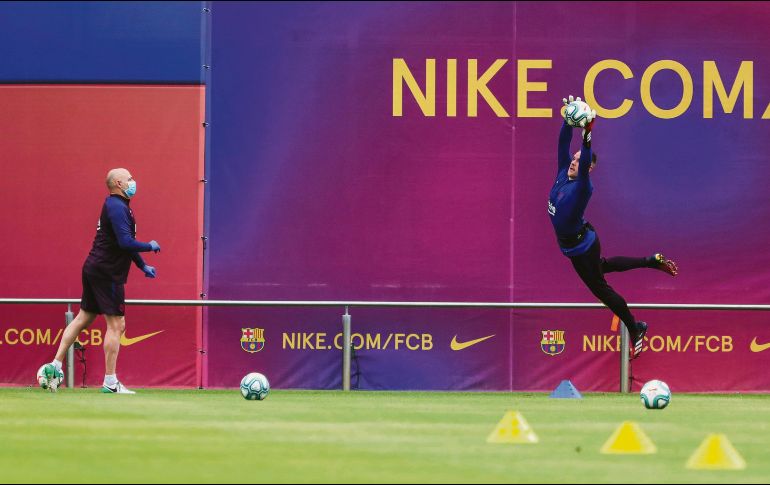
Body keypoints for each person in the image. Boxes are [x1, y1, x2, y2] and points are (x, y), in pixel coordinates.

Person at [548, 96, 678, 359]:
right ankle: (649, 260)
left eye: (578, 161)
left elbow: (584, 160)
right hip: (583, 239)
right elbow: (562, 143)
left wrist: (587, 132)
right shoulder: (563, 173)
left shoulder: (583, 186)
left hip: (580, 246)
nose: (573, 162)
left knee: (601, 289)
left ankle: (634, 326)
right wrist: (567, 120)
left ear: (590, 168)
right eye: (572, 159)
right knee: (603, 266)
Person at [39, 168, 160, 394]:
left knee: (83, 318)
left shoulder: (120, 207)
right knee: (117, 325)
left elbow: (123, 242)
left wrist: (142, 265)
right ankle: (110, 382)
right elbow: (126, 242)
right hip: (107, 273)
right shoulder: (116, 206)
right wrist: (149, 246)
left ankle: (54, 365)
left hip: (95, 268)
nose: (134, 181)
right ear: (118, 183)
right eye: (130, 178)